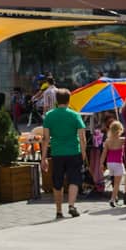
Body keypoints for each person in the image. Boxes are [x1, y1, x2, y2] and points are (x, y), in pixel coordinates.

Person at [41, 87, 86, 220]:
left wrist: (43, 157)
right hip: (73, 152)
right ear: (68, 100)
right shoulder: (75, 115)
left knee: (57, 182)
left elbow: (45, 138)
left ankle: (59, 210)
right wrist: (83, 152)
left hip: (57, 153)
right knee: (74, 180)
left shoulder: (49, 115)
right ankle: (71, 205)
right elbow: (82, 137)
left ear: (56, 100)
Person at [103, 120, 126, 207]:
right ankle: (112, 199)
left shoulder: (107, 141)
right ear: (120, 130)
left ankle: (115, 197)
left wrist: (100, 163)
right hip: (118, 163)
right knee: (117, 183)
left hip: (109, 163)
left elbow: (104, 153)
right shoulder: (122, 140)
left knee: (114, 182)